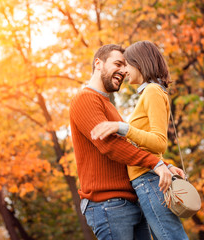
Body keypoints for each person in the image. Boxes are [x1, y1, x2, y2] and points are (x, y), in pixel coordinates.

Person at [69, 44, 174, 240]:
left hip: (130, 201)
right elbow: (110, 145)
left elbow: (129, 149)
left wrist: (166, 166)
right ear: (98, 63)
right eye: (118, 63)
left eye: (126, 66)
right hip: (108, 204)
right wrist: (156, 163)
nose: (123, 71)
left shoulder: (109, 107)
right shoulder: (85, 99)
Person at [91, 41, 189, 240]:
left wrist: (123, 128)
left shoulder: (152, 91)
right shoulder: (150, 93)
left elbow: (159, 142)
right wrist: (167, 165)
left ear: (140, 64)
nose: (124, 70)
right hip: (147, 179)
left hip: (149, 180)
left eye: (127, 64)